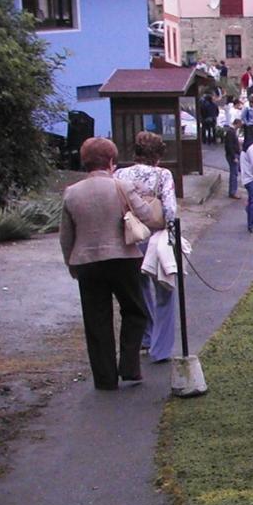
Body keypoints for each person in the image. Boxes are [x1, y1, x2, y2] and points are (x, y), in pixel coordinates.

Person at [59, 138, 161, 390]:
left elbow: (66, 235)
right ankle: (129, 366)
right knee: (135, 311)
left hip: (87, 261)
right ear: (111, 161)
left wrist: (70, 262)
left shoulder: (71, 192)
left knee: (96, 319)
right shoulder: (122, 186)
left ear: (85, 161)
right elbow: (147, 217)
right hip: (123, 257)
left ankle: (105, 378)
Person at [114, 132, 177, 364]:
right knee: (164, 288)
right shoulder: (163, 175)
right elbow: (170, 209)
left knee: (138, 290)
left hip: (130, 235)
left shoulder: (120, 173)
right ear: (158, 155)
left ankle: (147, 335)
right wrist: (172, 234)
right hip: (156, 236)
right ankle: (161, 348)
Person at [223, 117, 242, 199]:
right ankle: (232, 192)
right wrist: (234, 156)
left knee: (234, 173)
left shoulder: (231, 131)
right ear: (237, 124)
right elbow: (230, 145)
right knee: (234, 174)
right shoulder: (231, 132)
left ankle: (233, 191)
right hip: (232, 156)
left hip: (233, 154)